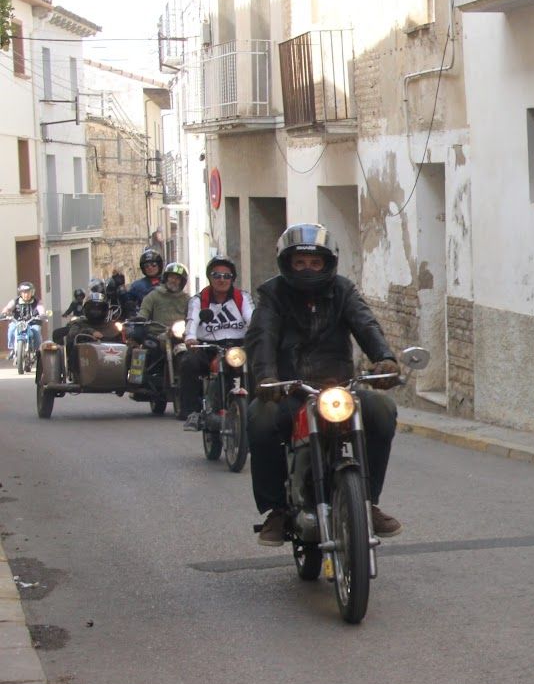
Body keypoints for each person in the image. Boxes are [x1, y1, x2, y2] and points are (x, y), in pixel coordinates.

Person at [245, 223, 402, 546]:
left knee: (383, 410)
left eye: (315, 263)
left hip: (338, 388)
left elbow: (365, 323)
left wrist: (385, 359)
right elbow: (262, 337)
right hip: (289, 389)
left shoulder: (343, 290)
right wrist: (266, 378)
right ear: (287, 263)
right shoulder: (272, 294)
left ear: (328, 263)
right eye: (300, 262)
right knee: (260, 418)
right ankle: (276, 509)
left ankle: (367, 502)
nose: (307, 269)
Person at [179, 255, 254, 431]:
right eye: (216, 275)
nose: (222, 280)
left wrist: (258, 336)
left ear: (232, 278)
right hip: (208, 347)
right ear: (210, 278)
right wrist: (190, 338)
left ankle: (256, 409)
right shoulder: (198, 300)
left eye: (227, 276)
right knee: (188, 362)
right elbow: (192, 322)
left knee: (261, 364)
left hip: (238, 347)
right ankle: (192, 412)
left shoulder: (242, 297)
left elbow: (253, 319)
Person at [55, 291, 122, 379]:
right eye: (93, 309)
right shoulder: (79, 324)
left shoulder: (111, 326)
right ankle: (75, 373)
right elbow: (72, 334)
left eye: (100, 309)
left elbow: (121, 341)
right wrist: (90, 332)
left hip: (112, 365)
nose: (96, 312)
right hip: (84, 365)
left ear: (106, 310)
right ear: (85, 309)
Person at [137, 262, 191, 327]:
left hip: (179, 332)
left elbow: (192, 317)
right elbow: (144, 311)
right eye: (171, 277)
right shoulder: (154, 295)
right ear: (166, 278)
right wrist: (141, 319)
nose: (174, 280)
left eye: (177, 278)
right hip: (156, 332)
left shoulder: (187, 300)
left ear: (182, 282)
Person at [3, 282, 45, 359]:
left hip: (33, 322)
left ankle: (37, 351)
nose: (26, 294)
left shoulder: (37, 301)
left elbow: (40, 308)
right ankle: (12, 349)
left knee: (36, 332)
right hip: (17, 322)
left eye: (28, 292)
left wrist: (42, 314)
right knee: (11, 330)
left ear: (32, 292)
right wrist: (4, 313)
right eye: (24, 292)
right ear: (20, 293)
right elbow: (8, 308)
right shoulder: (15, 301)